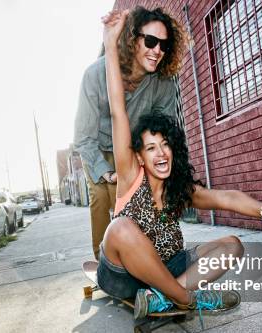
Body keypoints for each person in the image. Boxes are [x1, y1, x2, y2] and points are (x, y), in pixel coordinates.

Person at [99, 10, 262, 320]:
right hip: (123, 275)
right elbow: (118, 110)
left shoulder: (177, 187)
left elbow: (226, 197)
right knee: (119, 228)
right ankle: (186, 298)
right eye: (151, 148)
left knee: (232, 246)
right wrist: (110, 44)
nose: (160, 153)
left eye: (165, 144)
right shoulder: (130, 175)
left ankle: (162, 298)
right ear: (140, 155)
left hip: (171, 266)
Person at [74, 6, 185, 260]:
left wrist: (151, 161)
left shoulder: (163, 82)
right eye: (151, 41)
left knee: (142, 200)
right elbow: (83, 136)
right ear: (133, 40)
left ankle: (153, 256)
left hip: (135, 147)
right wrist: (106, 171)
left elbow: (164, 127)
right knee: (104, 198)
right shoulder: (95, 75)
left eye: (164, 45)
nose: (158, 50)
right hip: (99, 147)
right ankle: (105, 261)